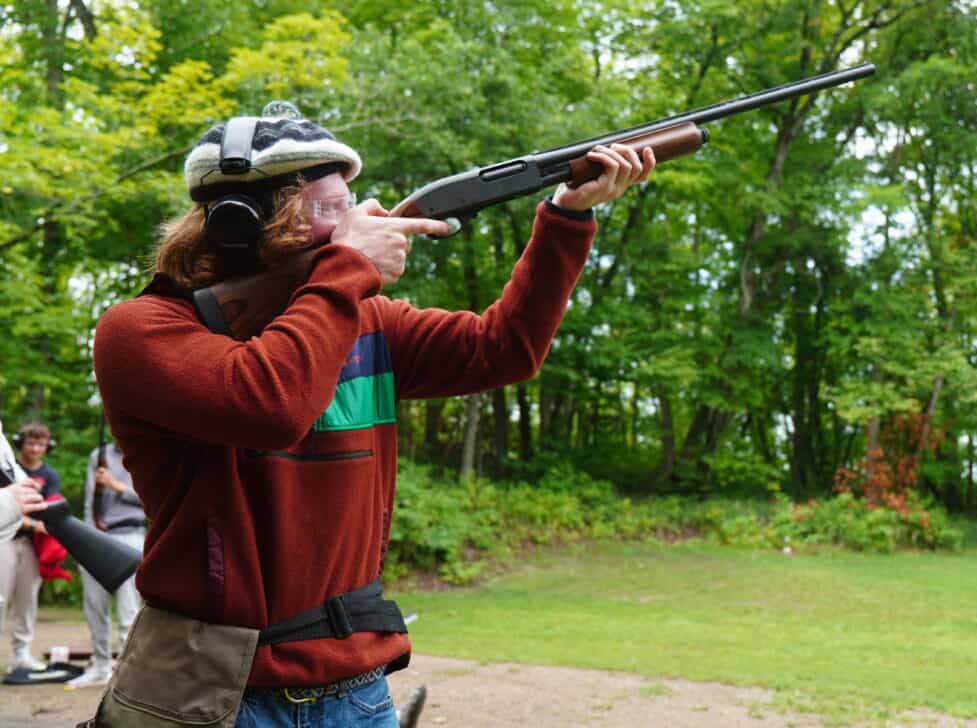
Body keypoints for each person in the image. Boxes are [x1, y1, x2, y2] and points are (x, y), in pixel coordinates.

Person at [91, 101, 653, 726]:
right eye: (330, 210)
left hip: (357, 693)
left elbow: (506, 350)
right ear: (239, 223)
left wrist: (566, 218)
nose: (355, 222)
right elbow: (271, 403)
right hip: (210, 693)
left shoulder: (361, 319)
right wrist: (349, 270)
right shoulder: (141, 331)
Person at [64, 440, 146, 689]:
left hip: (131, 535)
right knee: (94, 605)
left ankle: (127, 673)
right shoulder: (98, 455)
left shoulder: (147, 450)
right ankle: (100, 666)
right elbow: (90, 503)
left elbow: (152, 500)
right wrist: (86, 544)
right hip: (98, 537)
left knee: (128, 608)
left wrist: (116, 486)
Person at [0, 421, 61, 672]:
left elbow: (48, 508)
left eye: (41, 444)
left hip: (32, 546)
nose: (35, 449)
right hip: (5, 540)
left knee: (28, 600)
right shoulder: (6, 467)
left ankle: (22, 654)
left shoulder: (50, 475)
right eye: (30, 443)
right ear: (19, 444)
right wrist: (34, 524)